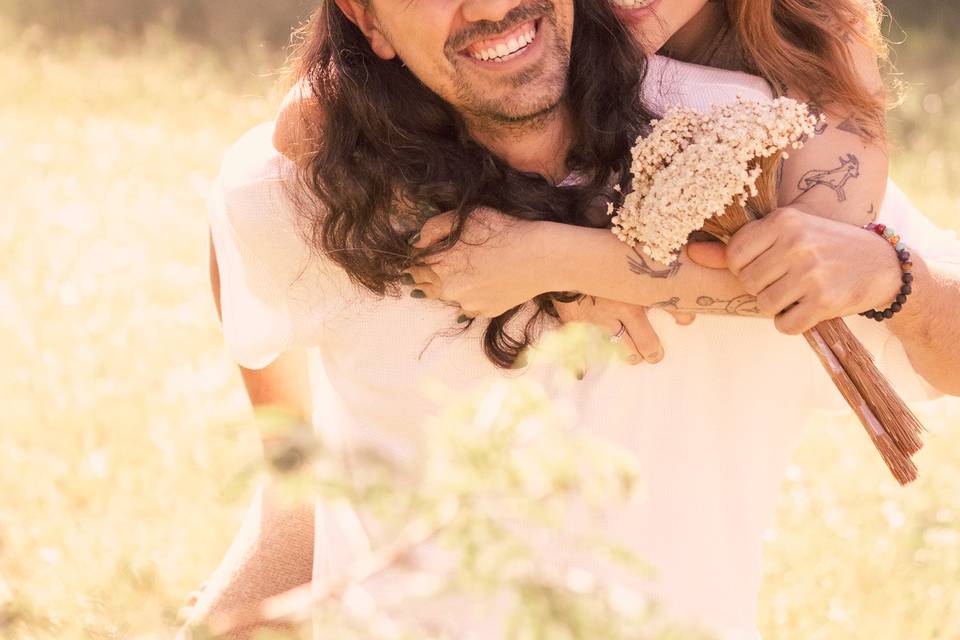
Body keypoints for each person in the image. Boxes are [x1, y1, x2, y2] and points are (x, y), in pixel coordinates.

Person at [180, 1, 960, 638]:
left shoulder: (743, 153)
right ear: (368, 21)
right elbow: (299, 461)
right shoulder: (302, 188)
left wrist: (895, 280)